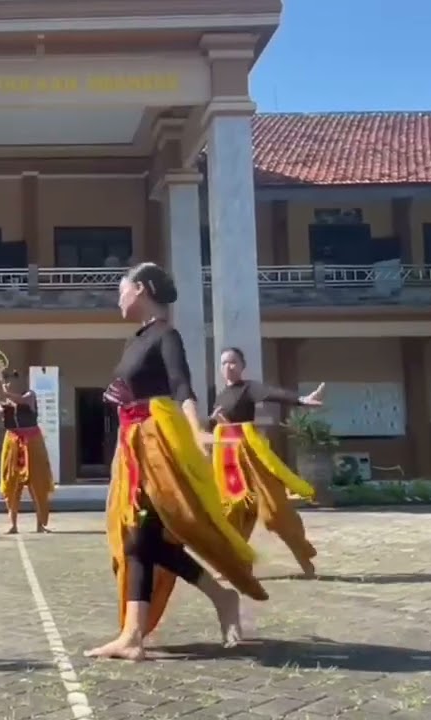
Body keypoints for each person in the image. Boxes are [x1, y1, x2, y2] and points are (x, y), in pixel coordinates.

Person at [86, 262, 268, 662]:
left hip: (156, 443)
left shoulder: (167, 335)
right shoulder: (135, 340)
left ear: (141, 289)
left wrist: (195, 431)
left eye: (122, 290)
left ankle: (144, 630)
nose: (118, 298)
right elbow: (136, 388)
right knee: (141, 536)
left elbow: (181, 385)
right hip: (131, 445)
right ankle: (158, 623)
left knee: (153, 532)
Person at [212, 347, 325, 578]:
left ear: (242, 366)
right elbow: (213, 425)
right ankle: (238, 565)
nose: (228, 367)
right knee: (234, 511)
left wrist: (301, 400)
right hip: (231, 461)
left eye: (233, 362)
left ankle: (303, 556)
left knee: (275, 513)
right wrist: (215, 422)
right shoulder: (221, 395)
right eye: (224, 363)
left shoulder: (249, 388)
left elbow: (272, 393)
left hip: (253, 458)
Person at [0, 370, 53, 534]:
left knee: (38, 483)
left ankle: (41, 524)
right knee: (11, 483)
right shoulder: (5, 400)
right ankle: (13, 524)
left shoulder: (29, 395)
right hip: (12, 440)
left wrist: (4, 393)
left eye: (12, 379)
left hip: (32, 440)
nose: (9, 382)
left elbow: (21, 401)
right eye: (6, 380)